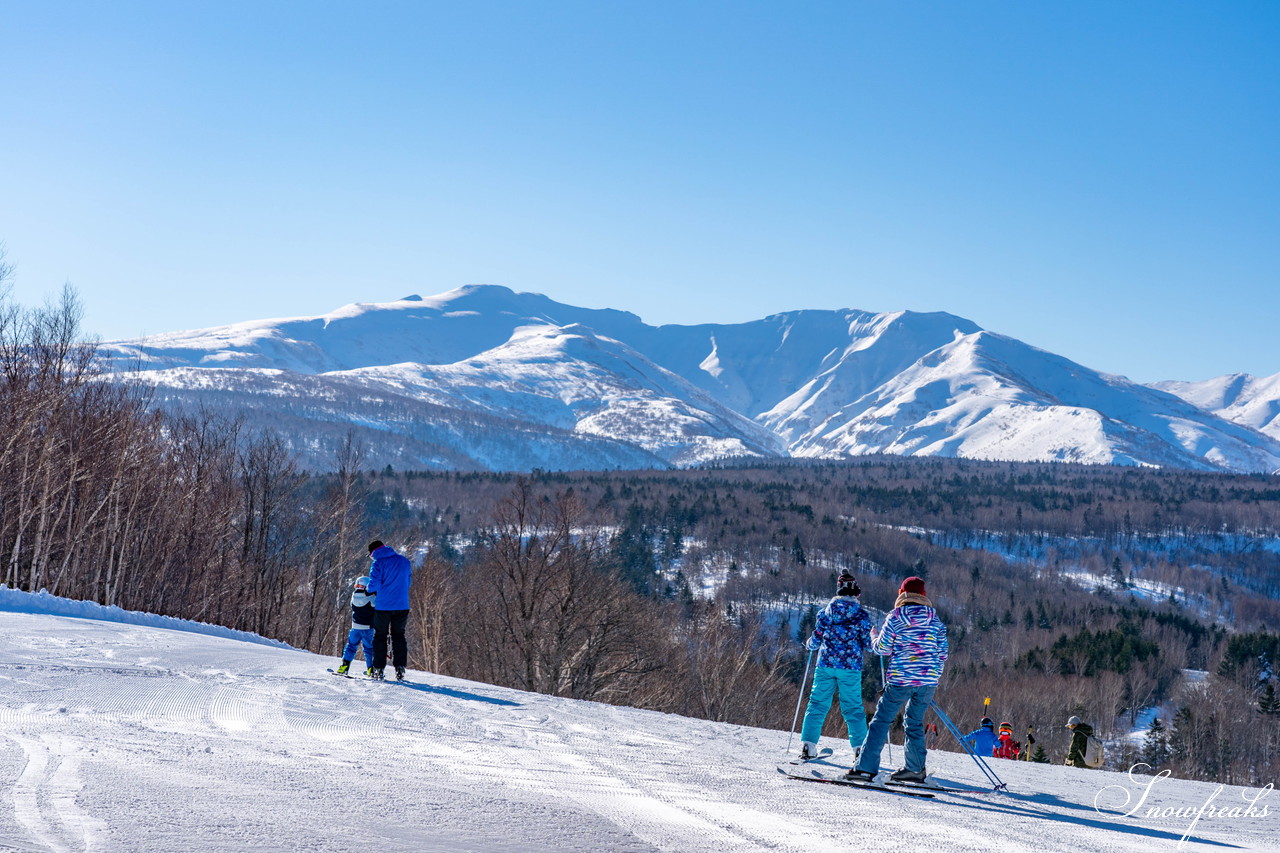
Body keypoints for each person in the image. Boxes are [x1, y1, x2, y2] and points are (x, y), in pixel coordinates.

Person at [843, 576, 948, 784]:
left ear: (902, 594)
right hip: (928, 680)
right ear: (924, 596)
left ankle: (865, 768)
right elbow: (943, 653)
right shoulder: (935, 621)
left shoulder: (896, 617)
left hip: (901, 678)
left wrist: (874, 636)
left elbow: (882, 648)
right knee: (914, 722)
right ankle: (915, 769)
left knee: (881, 721)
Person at [796, 571, 873, 761]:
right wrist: (876, 639)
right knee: (853, 708)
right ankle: (858, 751)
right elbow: (869, 645)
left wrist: (809, 644)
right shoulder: (862, 616)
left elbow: (815, 640)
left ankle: (808, 746)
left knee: (817, 704)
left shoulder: (826, 613)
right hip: (850, 667)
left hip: (826, 664)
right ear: (856, 593)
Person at [366, 540, 413, 681]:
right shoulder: (404, 561)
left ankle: (378, 669)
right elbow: (408, 582)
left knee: (380, 636)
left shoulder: (378, 563)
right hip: (402, 605)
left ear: (373, 552)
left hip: (383, 606)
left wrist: (369, 590)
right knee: (399, 636)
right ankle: (400, 668)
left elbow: (374, 584)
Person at [335, 576, 376, 676]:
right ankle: (371, 669)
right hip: (367, 628)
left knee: (351, 646)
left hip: (355, 627)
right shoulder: (371, 598)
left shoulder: (353, 596)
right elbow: (377, 606)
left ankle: (344, 666)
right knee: (368, 649)